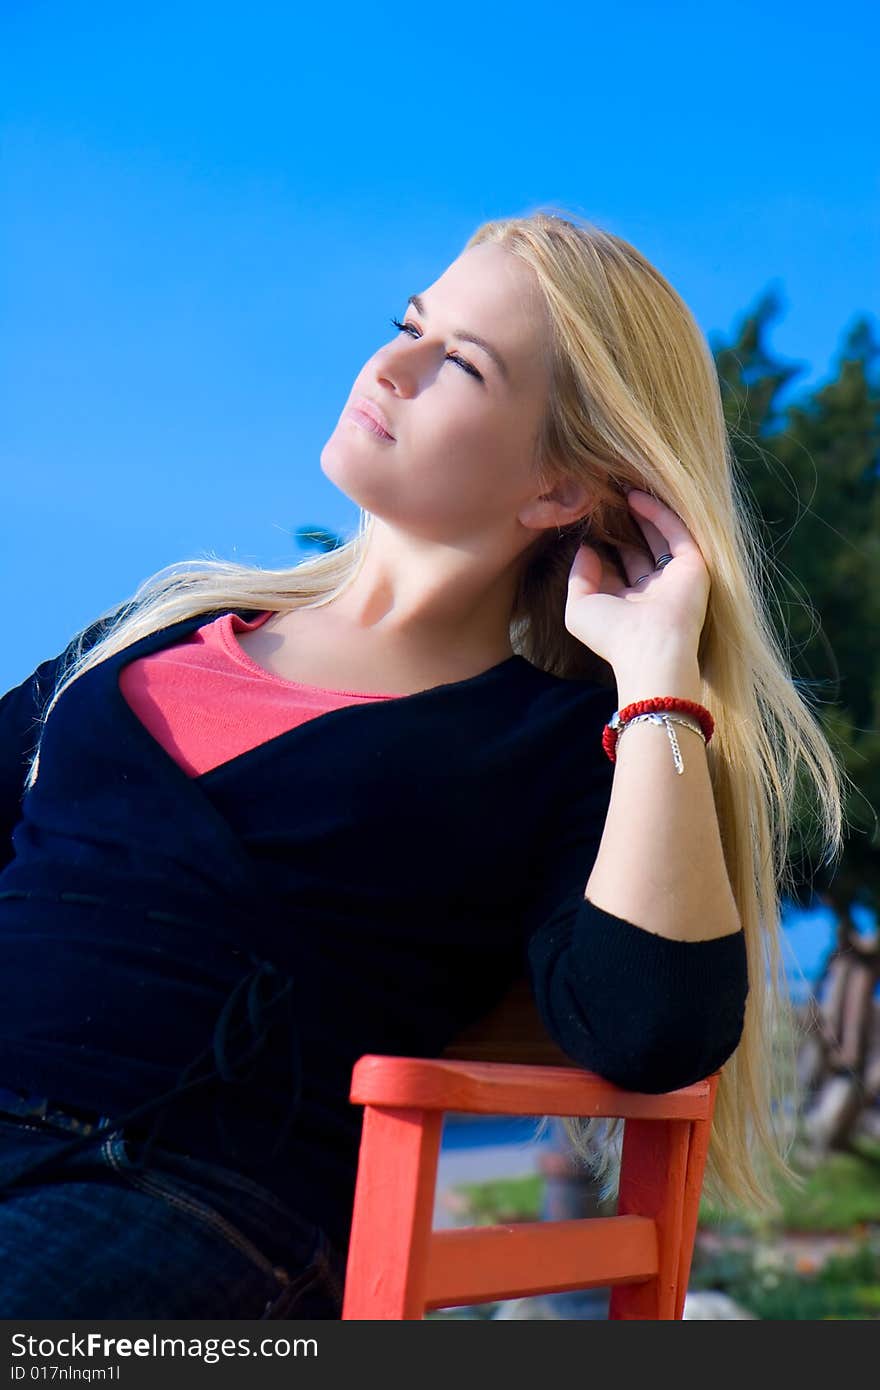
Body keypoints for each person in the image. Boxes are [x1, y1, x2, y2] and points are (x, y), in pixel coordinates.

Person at [0, 209, 846, 1319]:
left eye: (457, 362)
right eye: (409, 323)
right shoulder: (153, 628)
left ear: (556, 490)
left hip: (185, 1197)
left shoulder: (552, 747)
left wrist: (656, 677)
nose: (388, 365)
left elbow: (654, 1029)